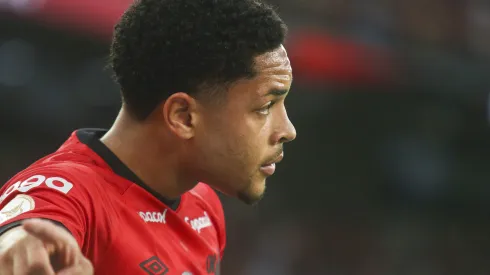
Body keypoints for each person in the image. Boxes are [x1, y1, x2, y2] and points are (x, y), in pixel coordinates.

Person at [0, 0, 296, 273]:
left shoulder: (204, 202)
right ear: (183, 116)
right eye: (265, 106)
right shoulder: (67, 191)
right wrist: (20, 247)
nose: (287, 130)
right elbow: (24, 234)